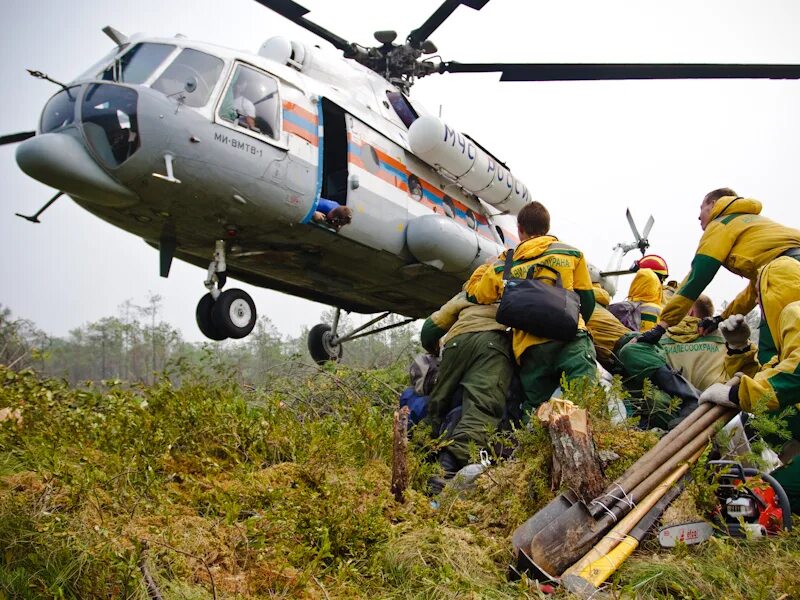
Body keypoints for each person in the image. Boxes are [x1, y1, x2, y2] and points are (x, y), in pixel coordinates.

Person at [637, 188, 800, 368]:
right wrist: (720, 318)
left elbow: (699, 276)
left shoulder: (721, 223)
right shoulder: (754, 225)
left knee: (776, 353)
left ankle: (771, 396)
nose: (699, 217)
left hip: (786, 275)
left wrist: (663, 324)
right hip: (789, 271)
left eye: (701, 208)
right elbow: (751, 292)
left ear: (713, 205)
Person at [468, 201, 597, 415]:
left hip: (530, 350)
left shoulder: (505, 264)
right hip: (571, 339)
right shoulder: (571, 254)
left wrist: (485, 268)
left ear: (519, 230)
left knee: (536, 413)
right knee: (586, 406)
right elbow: (587, 299)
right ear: (547, 227)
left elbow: (476, 296)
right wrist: (579, 325)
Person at [700, 256, 800, 512]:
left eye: (759, 293)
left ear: (774, 291)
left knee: (773, 498)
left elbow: (795, 376)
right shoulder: (789, 330)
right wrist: (739, 348)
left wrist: (735, 394)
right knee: (754, 424)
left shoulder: (795, 312)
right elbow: (771, 375)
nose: (757, 301)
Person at [419, 265, 513, 489]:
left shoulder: (465, 295)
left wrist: (434, 351)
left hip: (455, 343)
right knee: (481, 406)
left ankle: (421, 459)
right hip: (492, 345)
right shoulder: (509, 290)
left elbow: (429, 330)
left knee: (438, 402)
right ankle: (448, 469)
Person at [619, 294, 725, 429]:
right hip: (714, 413)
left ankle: (689, 399)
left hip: (674, 410)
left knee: (630, 346)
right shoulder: (724, 341)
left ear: (689, 311)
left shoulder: (662, 336)